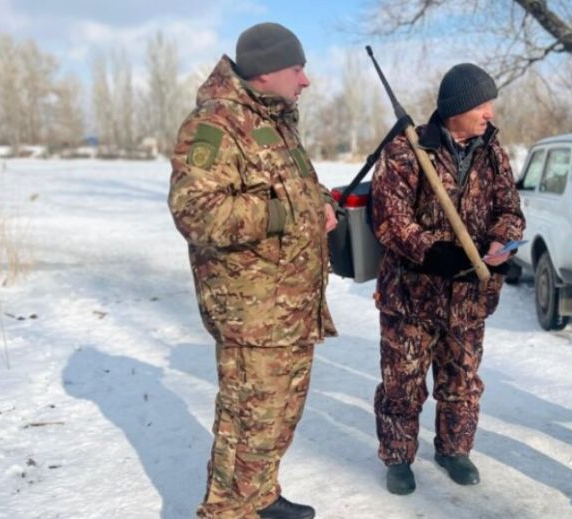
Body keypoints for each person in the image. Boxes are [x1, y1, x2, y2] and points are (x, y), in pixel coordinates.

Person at [168, 22, 338, 519]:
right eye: (297, 68)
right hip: (253, 313)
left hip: (289, 307)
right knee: (246, 425)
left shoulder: (276, 120)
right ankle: (227, 512)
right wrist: (284, 213)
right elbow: (194, 210)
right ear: (266, 72)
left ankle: (260, 497)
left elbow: (290, 188)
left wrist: (320, 201)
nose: (305, 80)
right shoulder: (215, 126)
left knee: (276, 420)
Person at [370, 63, 525, 495]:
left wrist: (500, 244)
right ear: (455, 108)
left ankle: (454, 449)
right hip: (411, 297)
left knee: (462, 382)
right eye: (481, 104)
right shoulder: (408, 149)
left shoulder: (492, 151)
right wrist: (433, 250)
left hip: (470, 297)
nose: (489, 113)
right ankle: (398, 457)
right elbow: (390, 220)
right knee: (402, 384)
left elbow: (511, 211)